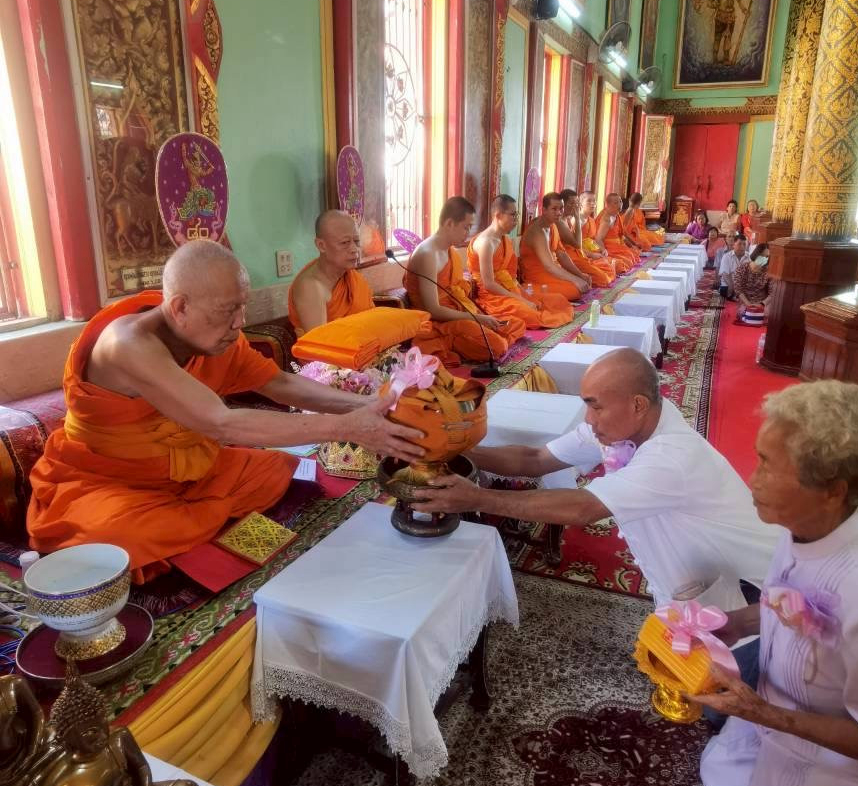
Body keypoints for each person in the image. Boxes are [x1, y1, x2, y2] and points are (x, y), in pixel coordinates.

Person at [27, 240, 421, 580]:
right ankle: (183, 525)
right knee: (123, 533)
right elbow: (222, 423)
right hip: (107, 481)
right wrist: (345, 428)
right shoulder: (127, 345)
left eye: (243, 308)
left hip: (188, 469)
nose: (240, 323)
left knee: (274, 470)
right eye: (228, 311)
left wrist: (369, 404)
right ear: (179, 307)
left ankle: (190, 520)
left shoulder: (214, 336)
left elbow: (279, 383)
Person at [414, 347, 779, 609]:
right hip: (696, 582)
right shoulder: (623, 425)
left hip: (752, 598)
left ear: (637, 404)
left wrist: (477, 499)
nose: (588, 419)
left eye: (596, 406)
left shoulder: (673, 455)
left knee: (730, 699)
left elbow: (584, 508)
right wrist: (454, 453)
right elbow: (537, 458)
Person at [696, 381, 858, 786]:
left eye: (768, 466)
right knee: (716, 762)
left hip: (839, 763)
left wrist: (761, 713)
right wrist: (721, 623)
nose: (752, 478)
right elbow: (777, 604)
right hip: (778, 716)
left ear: (832, 490)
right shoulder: (805, 527)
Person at [406, 196, 526, 365]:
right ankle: (462, 342)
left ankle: (477, 339)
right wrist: (475, 319)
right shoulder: (428, 254)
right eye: (466, 227)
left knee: (516, 324)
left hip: (459, 312)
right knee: (496, 346)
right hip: (440, 323)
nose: (468, 233)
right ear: (449, 224)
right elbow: (432, 309)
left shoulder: (449, 251)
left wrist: (476, 316)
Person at [467, 194, 572, 329]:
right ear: (498, 215)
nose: (516, 220)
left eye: (517, 215)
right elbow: (489, 284)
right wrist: (521, 300)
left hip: (510, 289)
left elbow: (511, 277)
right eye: (513, 215)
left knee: (558, 300)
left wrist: (524, 294)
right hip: (493, 297)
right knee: (532, 314)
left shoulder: (504, 239)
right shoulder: (486, 243)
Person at [287, 209, 373, 334]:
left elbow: (371, 322)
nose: (355, 249)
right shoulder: (310, 287)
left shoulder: (352, 278)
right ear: (321, 245)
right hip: (337, 351)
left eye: (357, 241)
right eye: (345, 242)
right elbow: (321, 346)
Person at [519, 193, 590, 302]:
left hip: (553, 271)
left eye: (561, 208)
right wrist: (575, 280)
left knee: (581, 282)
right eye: (554, 209)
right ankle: (530, 290)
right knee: (574, 289)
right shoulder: (537, 231)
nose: (559, 213)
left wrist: (579, 275)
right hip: (537, 275)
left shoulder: (552, 226)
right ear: (544, 210)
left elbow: (562, 254)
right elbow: (549, 266)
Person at [557, 189, 618, 288]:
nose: (575, 207)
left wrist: (601, 250)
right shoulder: (562, 221)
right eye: (571, 204)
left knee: (609, 269)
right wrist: (577, 218)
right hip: (571, 257)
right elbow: (577, 244)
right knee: (604, 278)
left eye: (576, 204)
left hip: (579, 255)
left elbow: (591, 240)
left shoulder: (567, 219)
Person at [579, 193, 627, 277]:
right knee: (606, 274)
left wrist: (602, 250)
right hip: (582, 254)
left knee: (619, 265)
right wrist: (592, 254)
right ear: (580, 203)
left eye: (594, 201)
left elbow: (593, 239)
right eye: (589, 201)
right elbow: (575, 246)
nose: (593, 204)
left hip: (594, 250)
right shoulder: (576, 221)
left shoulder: (591, 220)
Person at [594, 193, 640, 271]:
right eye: (616, 203)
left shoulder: (616, 215)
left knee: (634, 255)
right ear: (608, 204)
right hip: (608, 247)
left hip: (617, 245)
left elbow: (622, 235)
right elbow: (598, 239)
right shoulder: (606, 219)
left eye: (620, 201)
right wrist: (604, 252)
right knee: (626, 262)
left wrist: (633, 245)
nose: (620, 205)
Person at [732, 242, 772, 320]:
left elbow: (772, 292)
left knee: (767, 315)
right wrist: (748, 304)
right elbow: (738, 290)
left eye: (767, 257)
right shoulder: (742, 268)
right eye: (762, 256)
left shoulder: (769, 272)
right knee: (743, 314)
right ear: (756, 254)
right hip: (745, 300)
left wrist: (762, 304)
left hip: (762, 302)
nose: (764, 259)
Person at [717, 234, 747, 299]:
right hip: (729, 284)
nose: (742, 247)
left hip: (743, 286)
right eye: (739, 244)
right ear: (734, 245)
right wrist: (733, 288)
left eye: (744, 244)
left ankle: (737, 296)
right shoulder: (727, 256)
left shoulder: (748, 257)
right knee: (725, 291)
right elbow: (725, 275)